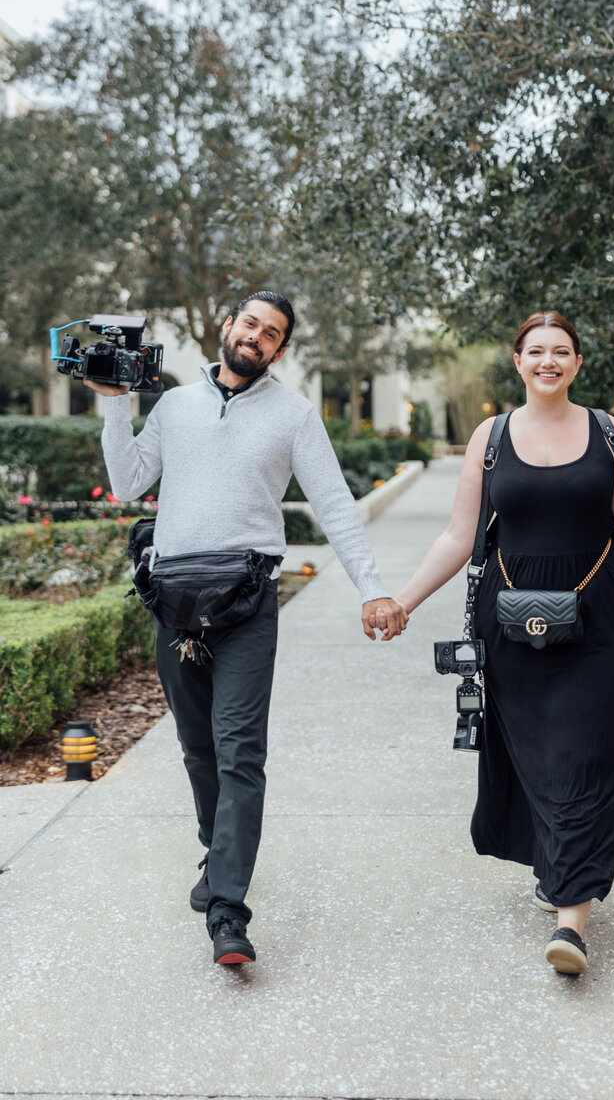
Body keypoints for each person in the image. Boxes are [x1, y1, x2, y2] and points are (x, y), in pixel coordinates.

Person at [87, 290, 406, 967]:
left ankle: (229, 910)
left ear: (280, 350)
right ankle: (218, 848)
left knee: (239, 753)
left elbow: (335, 506)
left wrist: (372, 589)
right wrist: (115, 402)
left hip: (245, 603)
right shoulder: (175, 405)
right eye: (250, 324)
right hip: (173, 599)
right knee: (198, 750)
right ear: (228, 326)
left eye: (272, 334)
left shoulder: (293, 416)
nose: (256, 338)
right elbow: (127, 483)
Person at [380, 311, 614, 975]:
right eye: (536, 351)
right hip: (515, 623)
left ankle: (571, 921)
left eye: (562, 351)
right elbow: (459, 535)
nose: (549, 361)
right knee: (541, 754)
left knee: (584, 752)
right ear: (517, 362)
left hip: (604, 618)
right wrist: (403, 601)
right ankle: (562, 867)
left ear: (577, 363)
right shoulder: (491, 438)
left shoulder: (606, 432)